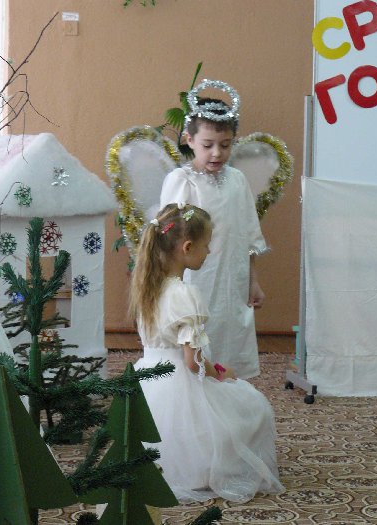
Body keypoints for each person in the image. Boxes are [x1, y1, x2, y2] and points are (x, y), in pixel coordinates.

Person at [130, 202, 283, 503]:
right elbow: (193, 362)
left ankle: (177, 467)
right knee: (254, 408)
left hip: (147, 380)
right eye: (206, 245)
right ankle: (202, 471)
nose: (209, 251)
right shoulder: (184, 295)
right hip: (179, 381)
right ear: (187, 247)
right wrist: (222, 373)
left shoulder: (147, 288)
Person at [160, 80, 266, 379]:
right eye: (208, 145)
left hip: (233, 280)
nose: (217, 153)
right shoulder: (182, 180)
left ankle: (228, 389)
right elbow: (168, 237)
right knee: (199, 338)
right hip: (196, 281)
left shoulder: (237, 181)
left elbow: (249, 234)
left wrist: (253, 281)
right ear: (190, 140)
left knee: (230, 339)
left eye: (225, 145)